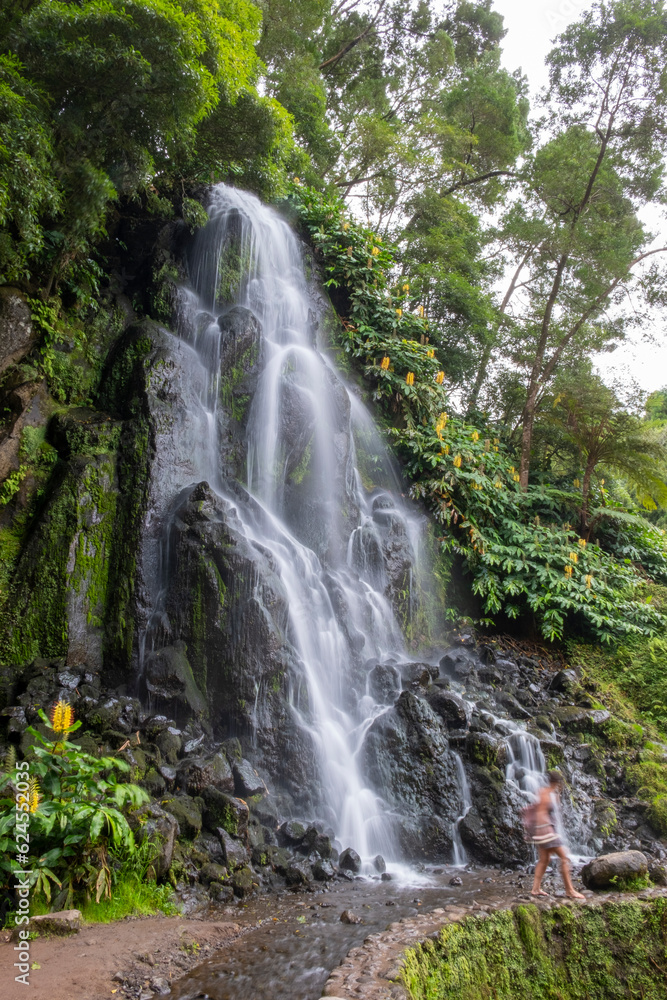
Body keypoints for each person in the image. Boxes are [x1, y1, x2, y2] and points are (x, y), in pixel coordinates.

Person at [530, 770, 585, 899]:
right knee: (565, 858)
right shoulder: (548, 795)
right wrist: (551, 833)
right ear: (556, 782)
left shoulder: (543, 792)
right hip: (546, 831)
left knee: (544, 860)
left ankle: (535, 889)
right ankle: (570, 890)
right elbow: (542, 814)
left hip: (540, 831)